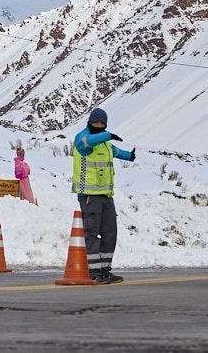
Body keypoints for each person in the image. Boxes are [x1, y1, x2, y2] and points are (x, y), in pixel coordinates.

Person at [73, 108, 135, 285]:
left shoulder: (105, 143)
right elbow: (89, 141)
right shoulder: (82, 139)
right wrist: (107, 135)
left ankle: (105, 270)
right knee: (91, 233)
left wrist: (129, 156)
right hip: (89, 195)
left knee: (110, 232)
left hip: (106, 195)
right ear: (90, 122)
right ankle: (93, 271)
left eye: (102, 123)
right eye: (96, 122)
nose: (99, 126)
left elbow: (116, 152)